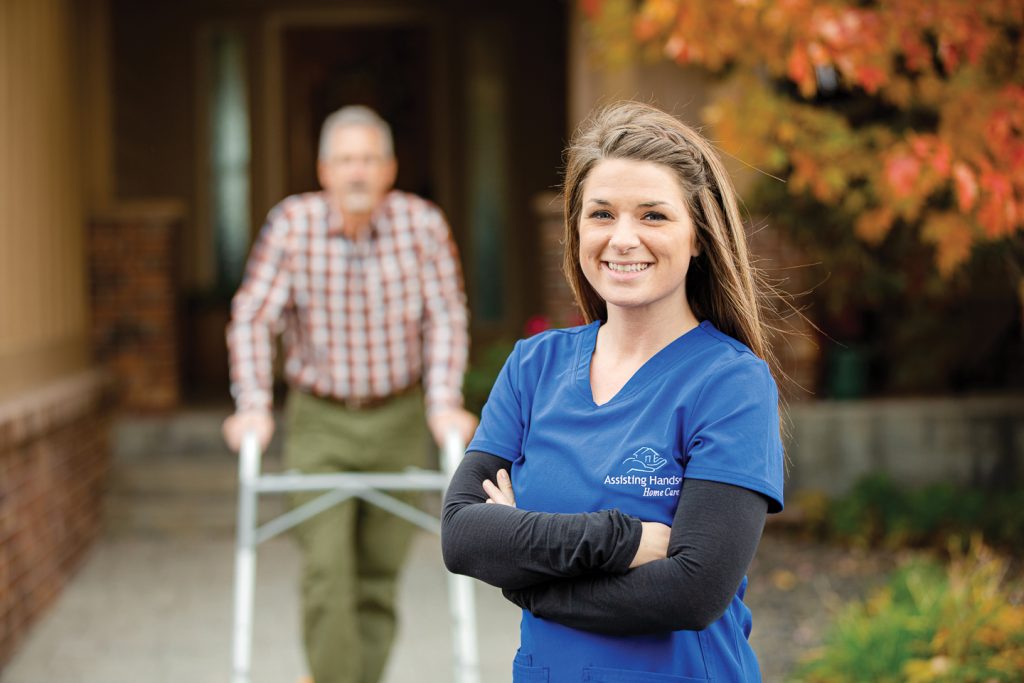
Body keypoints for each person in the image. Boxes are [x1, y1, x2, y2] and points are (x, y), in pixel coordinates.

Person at [441, 101, 785, 682]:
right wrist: (620, 538)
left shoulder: (730, 383)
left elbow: (691, 591)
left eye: (653, 216)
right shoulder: (535, 365)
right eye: (601, 214)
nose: (623, 239)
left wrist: (531, 580)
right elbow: (462, 534)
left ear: (699, 236)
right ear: (577, 228)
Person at [223, 105, 477, 683]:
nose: (357, 172)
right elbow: (253, 318)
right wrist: (255, 407)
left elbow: (445, 318)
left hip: (398, 418)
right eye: (345, 160)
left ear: (389, 169)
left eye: (368, 159)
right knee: (328, 571)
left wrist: (442, 402)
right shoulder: (292, 224)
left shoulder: (423, 225)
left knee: (378, 574)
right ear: (323, 169)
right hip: (321, 421)